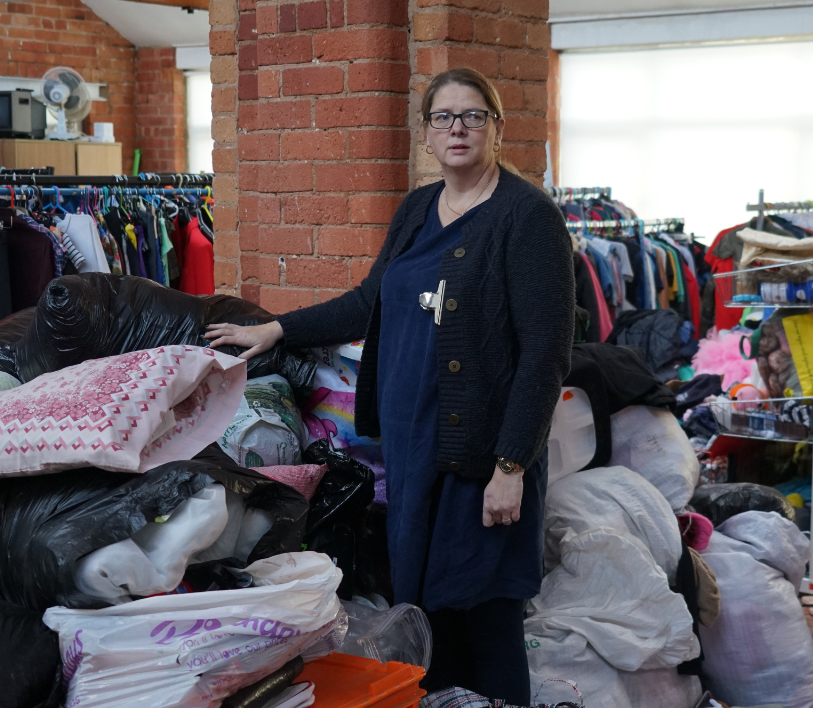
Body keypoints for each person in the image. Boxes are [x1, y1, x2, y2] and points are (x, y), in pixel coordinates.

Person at [205, 67, 574, 703]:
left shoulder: (527, 217)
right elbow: (367, 300)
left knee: (487, 618)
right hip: (414, 452)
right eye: (443, 117)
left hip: (482, 456)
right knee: (429, 612)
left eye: (473, 115)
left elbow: (546, 354)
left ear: (495, 128)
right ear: (427, 134)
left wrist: (511, 464)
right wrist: (275, 331)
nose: (457, 128)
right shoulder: (416, 210)